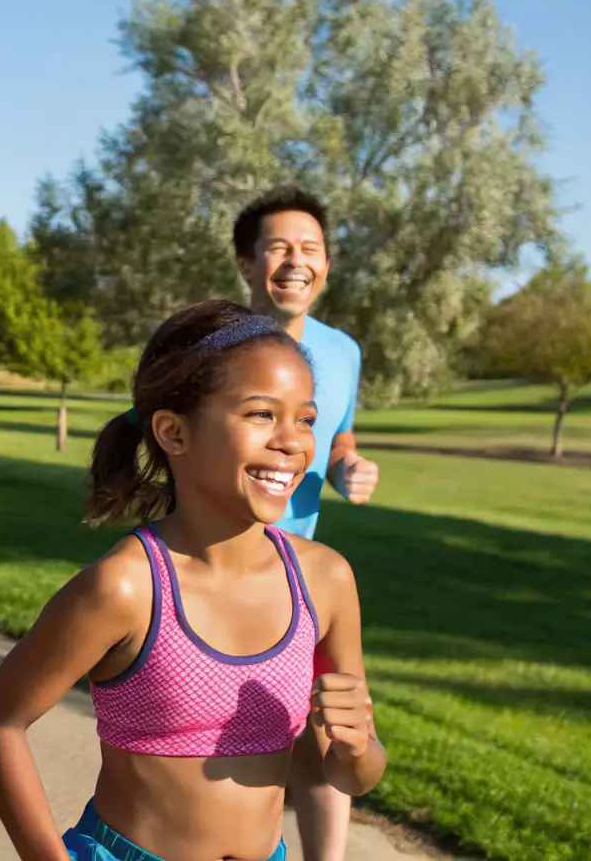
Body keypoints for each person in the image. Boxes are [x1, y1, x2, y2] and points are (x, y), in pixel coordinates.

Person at [0, 299, 385, 861]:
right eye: (261, 414)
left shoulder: (325, 580)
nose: (293, 442)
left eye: (306, 419)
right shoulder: (126, 588)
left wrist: (357, 747)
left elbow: (354, 774)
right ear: (174, 432)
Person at [232, 186, 379, 860]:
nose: (297, 262)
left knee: (327, 736)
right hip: (212, 569)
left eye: (311, 249)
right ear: (247, 262)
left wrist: (347, 467)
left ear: (326, 265)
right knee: (218, 741)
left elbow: (339, 437)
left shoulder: (342, 352)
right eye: (279, 247)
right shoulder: (209, 344)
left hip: (299, 573)